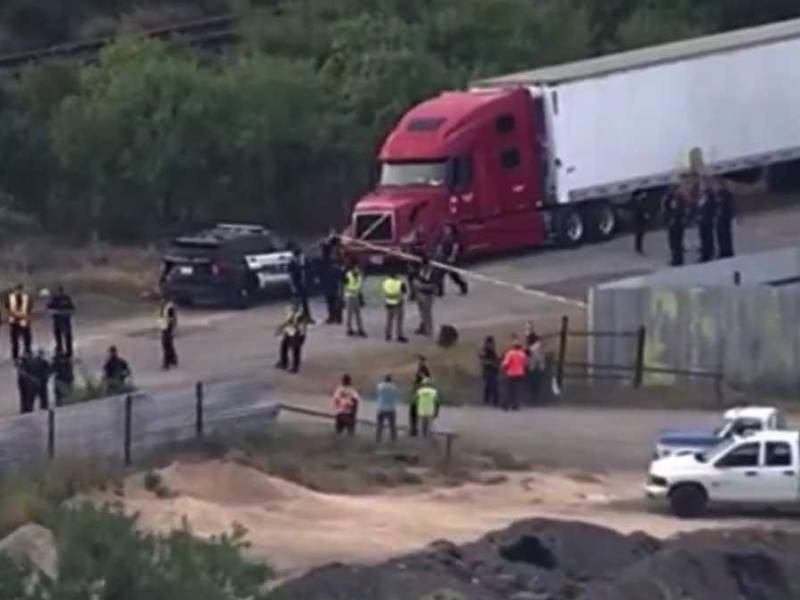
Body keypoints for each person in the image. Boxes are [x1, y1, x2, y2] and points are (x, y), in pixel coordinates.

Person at [434, 224, 468, 296]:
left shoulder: (453, 237)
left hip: (451, 259)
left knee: (454, 275)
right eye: (445, 228)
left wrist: (452, 257)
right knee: (439, 275)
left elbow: (455, 247)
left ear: (451, 229)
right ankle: (440, 292)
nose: (445, 229)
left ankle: (463, 286)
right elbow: (440, 246)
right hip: (443, 258)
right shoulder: (443, 236)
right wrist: (438, 253)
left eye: (447, 228)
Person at [320, 234, 343, 324]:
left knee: (333, 298)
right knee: (333, 298)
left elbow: (324, 245)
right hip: (332, 277)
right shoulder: (335, 251)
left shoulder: (334, 252)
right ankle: (335, 317)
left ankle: (335, 317)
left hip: (331, 277)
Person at [276, 304, 306, 373]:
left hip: (297, 334)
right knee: (283, 346)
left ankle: (295, 367)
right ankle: (284, 362)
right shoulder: (290, 312)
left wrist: (301, 337)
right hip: (289, 332)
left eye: (294, 307)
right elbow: (287, 322)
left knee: (295, 350)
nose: (292, 308)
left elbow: (301, 327)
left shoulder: (300, 316)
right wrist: (282, 329)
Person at [662, 184, 687, 267]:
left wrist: (673, 219)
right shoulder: (670, 198)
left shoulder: (677, 198)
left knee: (676, 242)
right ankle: (675, 258)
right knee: (673, 242)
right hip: (673, 223)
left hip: (676, 223)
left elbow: (675, 211)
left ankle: (678, 260)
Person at [288, 243, 314, 323]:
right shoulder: (292, 262)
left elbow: (309, 270)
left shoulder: (304, 260)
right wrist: (293, 286)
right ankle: (293, 318)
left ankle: (307, 317)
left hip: (303, 283)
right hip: (297, 284)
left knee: (305, 301)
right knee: (296, 302)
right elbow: (291, 275)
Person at [47, 284, 75, 357]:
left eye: (60, 291)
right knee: (58, 337)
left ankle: (69, 352)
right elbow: (49, 309)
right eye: (59, 292)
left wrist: (65, 313)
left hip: (66, 321)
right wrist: (54, 312)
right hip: (57, 321)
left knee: (67, 337)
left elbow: (72, 309)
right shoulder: (54, 299)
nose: (60, 293)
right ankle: (59, 350)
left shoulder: (66, 298)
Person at [7, 284, 33, 361]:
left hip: (24, 321)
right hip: (14, 322)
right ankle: (15, 355)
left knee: (27, 339)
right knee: (15, 340)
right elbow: (8, 308)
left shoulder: (26, 297)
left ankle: (27, 352)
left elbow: (29, 308)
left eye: (20, 290)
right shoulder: (10, 298)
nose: (18, 292)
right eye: (17, 290)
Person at [501, 336, 527, 411]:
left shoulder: (510, 353)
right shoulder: (522, 354)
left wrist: (503, 369)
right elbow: (524, 364)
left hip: (510, 374)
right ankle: (515, 405)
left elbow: (505, 364)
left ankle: (505, 405)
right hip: (520, 374)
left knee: (508, 389)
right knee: (517, 390)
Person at [413, 254, 437, 337]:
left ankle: (429, 330)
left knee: (427, 313)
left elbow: (433, 286)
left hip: (428, 295)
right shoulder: (421, 270)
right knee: (422, 313)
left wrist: (421, 286)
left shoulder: (433, 273)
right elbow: (416, 278)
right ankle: (423, 327)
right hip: (420, 294)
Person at [382, 268, 408, 343]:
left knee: (389, 320)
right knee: (399, 321)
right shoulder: (400, 283)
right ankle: (399, 335)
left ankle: (388, 335)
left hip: (388, 303)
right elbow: (405, 292)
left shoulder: (385, 282)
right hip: (398, 304)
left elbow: (384, 291)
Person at [409, 355, 431, 437]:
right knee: (415, 412)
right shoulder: (420, 369)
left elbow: (427, 381)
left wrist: (421, 378)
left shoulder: (424, 370)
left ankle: (419, 431)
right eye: (419, 361)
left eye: (420, 361)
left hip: (421, 393)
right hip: (418, 392)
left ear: (423, 361)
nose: (419, 362)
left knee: (418, 411)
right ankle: (415, 431)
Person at [343, 261, 366, 337]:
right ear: (353, 268)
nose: (358, 269)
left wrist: (361, 296)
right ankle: (349, 329)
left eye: (358, 268)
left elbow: (360, 287)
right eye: (356, 268)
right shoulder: (348, 275)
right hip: (349, 296)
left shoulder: (359, 276)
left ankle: (360, 329)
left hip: (356, 296)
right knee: (349, 314)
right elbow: (346, 286)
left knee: (358, 314)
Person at [714, 177, 736, 258]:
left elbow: (722, 206)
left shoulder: (723, 193)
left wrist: (719, 215)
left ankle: (725, 251)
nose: (714, 186)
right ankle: (725, 250)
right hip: (724, 217)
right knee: (724, 234)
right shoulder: (722, 193)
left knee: (724, 234)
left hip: (723, 217)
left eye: (716, 185)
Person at [375, 374, 400, 442]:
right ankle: (393, 440)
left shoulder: (380, 386)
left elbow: (377, 392)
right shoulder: (394, 387)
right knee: (392, 426)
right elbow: (396, 395)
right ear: (391, 380)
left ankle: (378, 439)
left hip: (381, 408)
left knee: (379, 425)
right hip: (391, 409)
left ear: (384, 380)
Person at [696, 180, 716, 263]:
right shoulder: (701, 197)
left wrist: (705, 216)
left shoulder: (710, 196)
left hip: (707, 220)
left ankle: (708, 253)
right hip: (701, 222)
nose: (701, 188)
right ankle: (705, 252)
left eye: (703, 185)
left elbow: (711, 208)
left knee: (708, 237)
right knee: (703, 237)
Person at [479, 336, 500, 407]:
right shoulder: (484, 351)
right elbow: (483, 361)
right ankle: (494, 402)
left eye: (493, 343)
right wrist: (492, 363)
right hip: (488, 372)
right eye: (491, 343)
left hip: (493, 371)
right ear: (487, 343)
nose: (492, 345)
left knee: (489, 387)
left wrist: (497, 363)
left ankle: (487, 400)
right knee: (493, 387)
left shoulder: (493, 351)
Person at [159, 297, 178, 370]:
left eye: (162, 299)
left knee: (166, 345)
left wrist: (171, 329)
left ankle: (166, 363)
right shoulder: (165, 307)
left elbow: (172, 319)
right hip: (164, 327)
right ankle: (173, 360)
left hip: (167, 328)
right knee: (169, 345)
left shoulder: (169, 307)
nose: (161, 301)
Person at [16, 350, 35, 414]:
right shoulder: (21, 362)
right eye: (25, 354)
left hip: (28, 382)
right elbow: (20, 371)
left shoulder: (30, 362)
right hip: (23, 382)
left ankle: (28, 408)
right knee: (24, 396)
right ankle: (25, 408)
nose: (26, 356)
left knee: (28, 395)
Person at [630, 190, 649, 254]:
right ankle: (639, 248)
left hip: (640, 220)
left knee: (640, 234)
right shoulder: (636, 202)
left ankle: (638, 247)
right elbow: (637, 211)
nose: (644, 195)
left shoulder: (641, 201)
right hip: (638, 220)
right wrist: (644, 214)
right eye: (642, 194)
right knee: (639, 234)